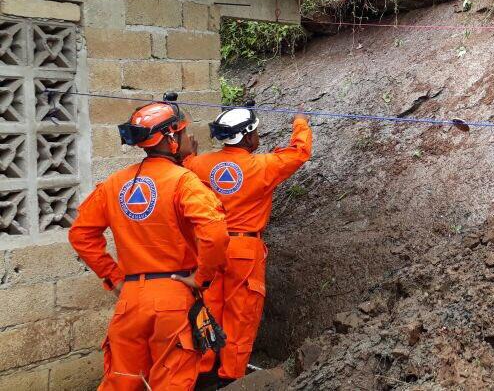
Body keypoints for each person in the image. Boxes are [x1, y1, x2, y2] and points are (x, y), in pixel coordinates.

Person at [70, 99, 229, 390]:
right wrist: (202, 278)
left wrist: (114, 277)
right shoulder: (184, 182)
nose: (189, 138)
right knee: (172, 380)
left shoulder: (114, 183)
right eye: (184, 132)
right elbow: (215, 232)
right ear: (171, 139)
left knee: (122, 381)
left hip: (131, 299)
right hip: (174, 294)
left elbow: (80, 234)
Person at [184, 105, 312, 382]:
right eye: (256, 132)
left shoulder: (198, 165)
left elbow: (184, 165)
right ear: (248, 136)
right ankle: (230, 377)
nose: (258, 137)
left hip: (209, 246)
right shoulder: (263, 166)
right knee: (241, 313)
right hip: (244, 250)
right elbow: (299, 152)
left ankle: (201, 372)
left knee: (207, 307)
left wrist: (189, 154)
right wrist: (300, 121)